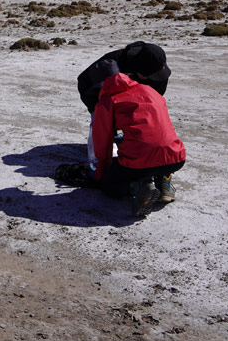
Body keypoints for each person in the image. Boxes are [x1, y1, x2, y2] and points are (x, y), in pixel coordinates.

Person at [57, 44, 186, 218]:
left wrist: (101, 171)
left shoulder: (116, 95)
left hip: (137, 157)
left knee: (111, 186)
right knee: (155, 137)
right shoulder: (146, 89)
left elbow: (102, 144)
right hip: (177, 157)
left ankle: (139, 185)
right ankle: (164, 180)